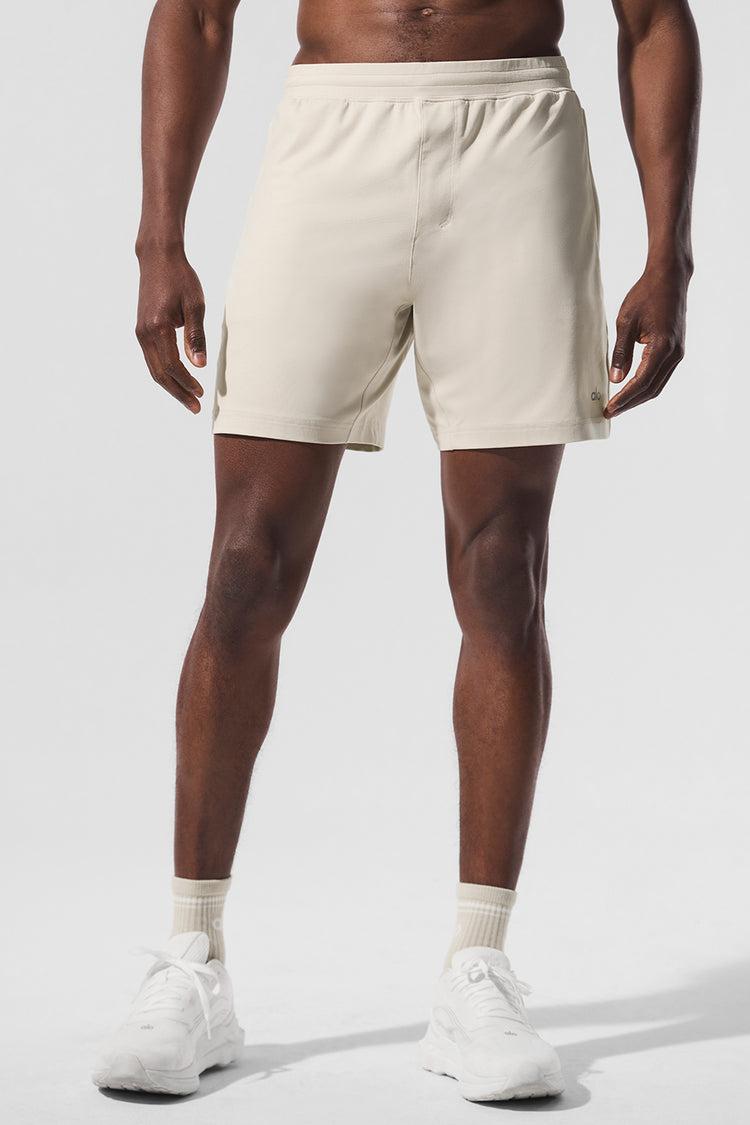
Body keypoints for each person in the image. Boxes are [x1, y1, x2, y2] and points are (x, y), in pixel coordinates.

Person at [93, 0, 701, 1102]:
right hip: (333, 128)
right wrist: (158, 237)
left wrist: (671, 252)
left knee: (503, 571)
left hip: (516, 136)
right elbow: (195, 14)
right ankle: (192, 958)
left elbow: (653, 18)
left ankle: (478, 966)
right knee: (245, 566)